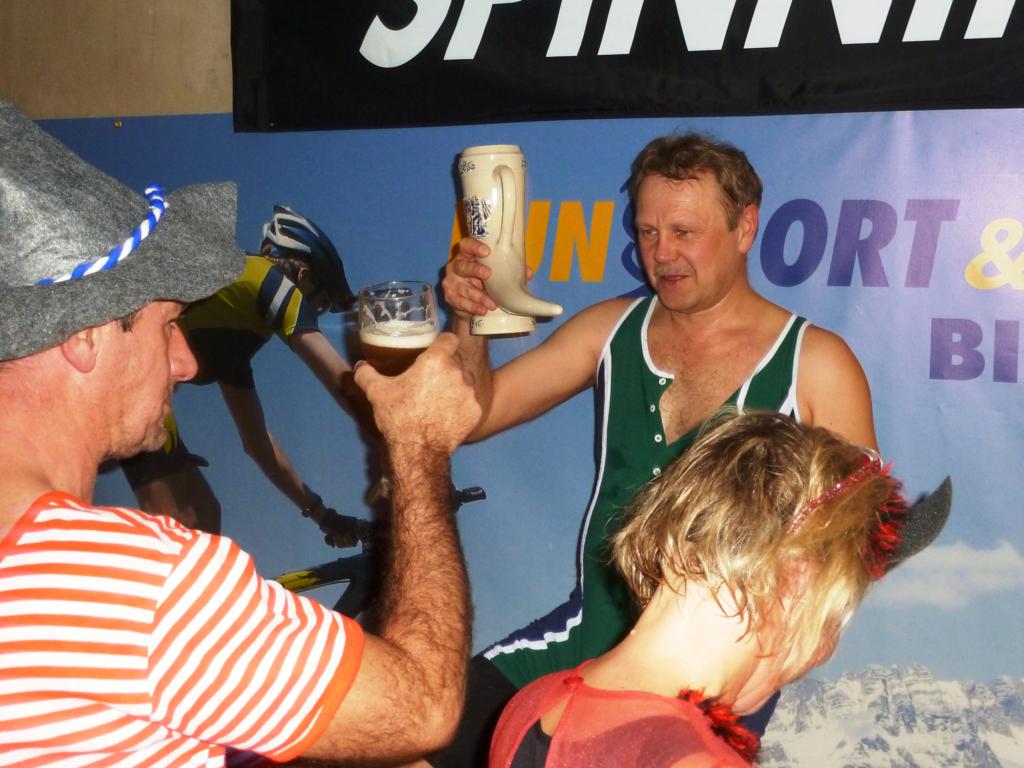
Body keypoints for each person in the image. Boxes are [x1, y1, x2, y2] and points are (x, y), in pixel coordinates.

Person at [0, 98, 479, 766]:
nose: (186, 361)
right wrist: (417, 445)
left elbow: (257, 444)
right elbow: (422, 707)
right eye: (169, 325)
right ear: (84, 336)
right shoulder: (146, 585)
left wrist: (317, 510)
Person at [434, 132, 879, 764]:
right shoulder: (611, 328)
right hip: (585, 636)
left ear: (745, 227)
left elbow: (860, 547)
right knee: (428, 731)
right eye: (647, 232)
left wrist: (777, 665)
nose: (661, 254)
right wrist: (471, 318)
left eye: (684, 232)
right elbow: (474, 415)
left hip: (712, 675)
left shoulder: (817, 363)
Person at [489, 412, 951, 767]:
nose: (822, 652)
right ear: (795, 582)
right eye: (831, 622)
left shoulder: (531, 704)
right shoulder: (697, 760)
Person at [120, 204, 361, 544]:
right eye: (320, 304)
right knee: (187, 521)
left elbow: (259, 445)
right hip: (124, 371)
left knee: (201, 517)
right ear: (303, 275)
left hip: (121, 372)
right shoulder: (270, 281)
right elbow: (343, 384)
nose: (315, 314)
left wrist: (322, 514)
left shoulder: (234, 334)